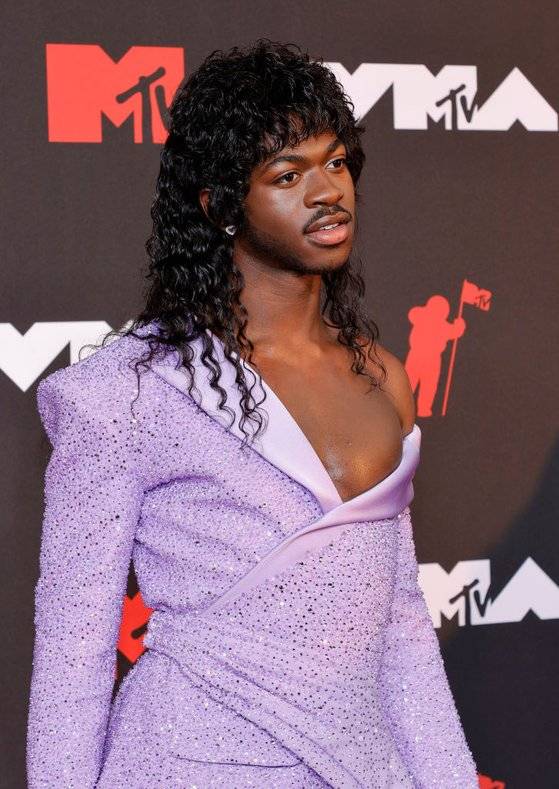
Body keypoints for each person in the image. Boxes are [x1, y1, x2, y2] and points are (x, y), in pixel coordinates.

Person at [26, 38, 478, 788]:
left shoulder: (384, 379)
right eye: (287, 174)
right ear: (221, 205)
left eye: (335, 163)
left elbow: (397, 624)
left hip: (361, 766)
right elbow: (73, 653)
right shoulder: (128, 393)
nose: (327, 191)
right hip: (186, 762)